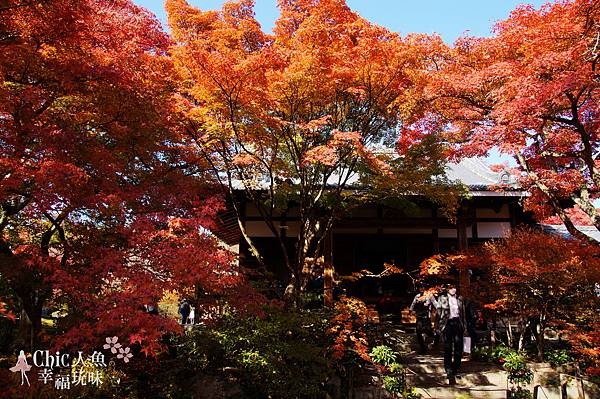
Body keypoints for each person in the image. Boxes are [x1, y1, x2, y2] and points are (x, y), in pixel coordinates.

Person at [436, 283, 468, 385]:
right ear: (447, 289)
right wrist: (437, 326)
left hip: (458, 323)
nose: (453, 289)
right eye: (451, 288)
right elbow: (438, 312)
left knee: (458, 347)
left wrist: (465, 326)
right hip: (447, 324)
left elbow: (463, 314)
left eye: (454, 287)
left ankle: (455, 367)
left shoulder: (460, 298)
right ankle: (449, 370)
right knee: (448, 347)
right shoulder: (442, 298)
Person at [409, 288, 438, 354]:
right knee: (418, 331)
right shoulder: (417, 296)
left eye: (423, 288)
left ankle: (436, 336)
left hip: (427, 317)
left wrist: (440, 309)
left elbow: (436, 304)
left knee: (427, 331)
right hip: (419, 317)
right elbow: (413, 304)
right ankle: (422, 348)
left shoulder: (430, 296)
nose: (421, 289)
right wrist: (410, 310)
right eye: (420, 288)